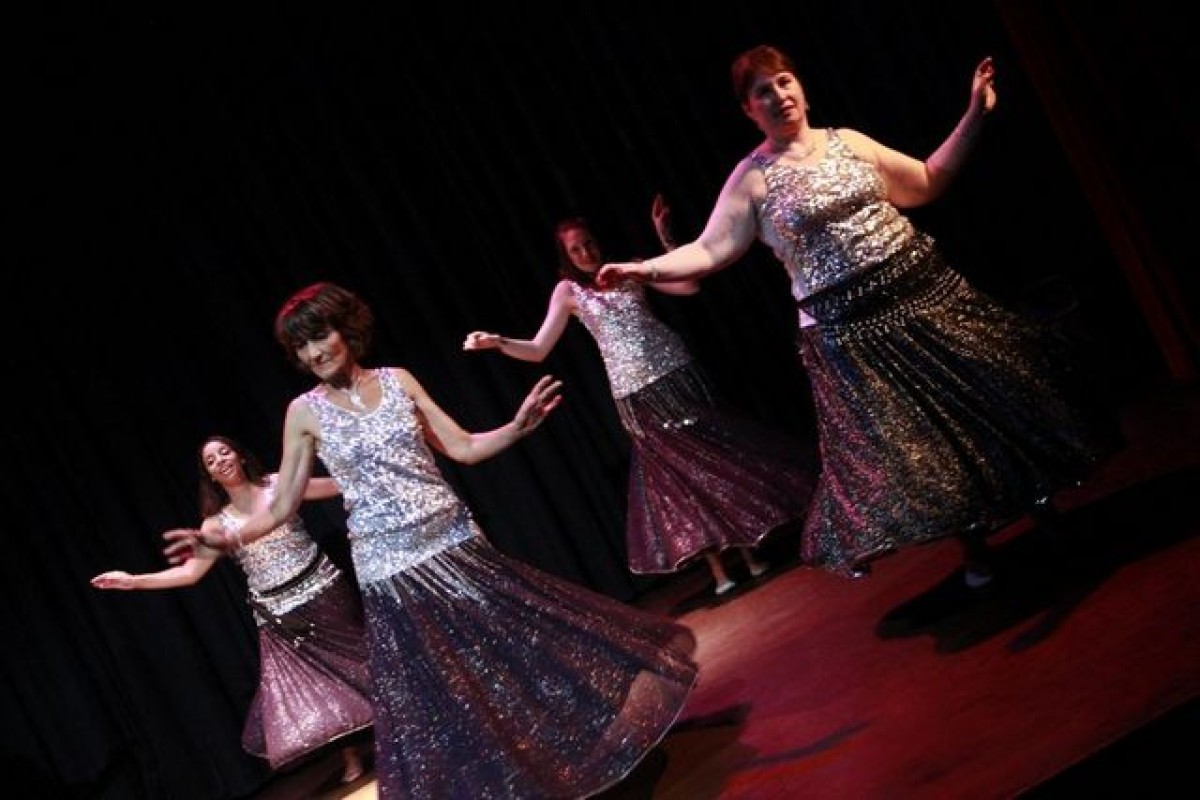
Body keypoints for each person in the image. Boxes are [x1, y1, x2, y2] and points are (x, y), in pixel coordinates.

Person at [161, 282, 698, 799]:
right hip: (391, 571)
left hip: (454, 544)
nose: (314, 352)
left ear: (346, 330)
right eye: (301, 345)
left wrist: (515, 427)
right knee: (447, 693)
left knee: (511, 657)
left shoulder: (399, 380)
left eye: (320, 335)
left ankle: (560, 762)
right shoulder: (303, 412)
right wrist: (224, 540)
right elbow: (281, 506)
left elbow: (462, 447)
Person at [596, 47, 1106, 589]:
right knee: (916, 443)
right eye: (763, 91)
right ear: (748, 109)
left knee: (985, 406)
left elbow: (927, 180)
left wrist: (974, 114)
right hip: (850, 333)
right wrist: (642, 269)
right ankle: (974, 545)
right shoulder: (752, 179)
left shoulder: (849, 142)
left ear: (801, 87)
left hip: (923, 295)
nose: (778, 95)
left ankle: (1042, 510)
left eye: (784, 81)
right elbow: (709, 250)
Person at [464, 196, 817, 596]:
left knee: (715, 462)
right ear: (566, 256)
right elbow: (537, 348)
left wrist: (666, 240)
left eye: (588, 244)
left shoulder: (629, 269)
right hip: (635, 393)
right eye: (575, 249)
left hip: (676, 375)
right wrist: (498, 342)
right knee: (678, 479)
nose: (585, 253)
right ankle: (720, 571)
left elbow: (688, 285)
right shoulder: (568, 292)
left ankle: (750, 552)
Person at [92, 435, 373, 785]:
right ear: (209, 475)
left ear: (239, 456)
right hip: (278, 612)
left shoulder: (277, 484)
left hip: (323, 589)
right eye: (211, 461)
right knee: (319, 686)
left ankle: (400, 728)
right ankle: (349, 754)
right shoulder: (215, 524)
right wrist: (134, 581)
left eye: (224, 452)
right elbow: (190, 573)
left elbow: (337, 485)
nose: (220, 461)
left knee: (362, 659)